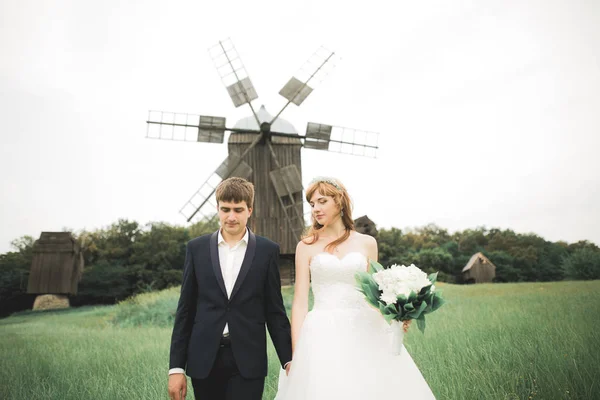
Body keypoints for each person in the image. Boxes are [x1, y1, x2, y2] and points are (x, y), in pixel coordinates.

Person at [275, 177, 436, 399]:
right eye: (312, 204)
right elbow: (300, 302)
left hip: (366, 328)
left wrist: (397, 318)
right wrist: (296, 352)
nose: (315, 209)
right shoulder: (306, 246)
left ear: (339, 202)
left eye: (322, 201)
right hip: (322, 331)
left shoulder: (367, 243)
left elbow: (375, 294)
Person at [168, 177, 292, 400]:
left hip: (248, 360)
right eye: (225, 209)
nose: (231, 216)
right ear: (217, 208)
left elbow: (275, 310)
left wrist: (289, 359)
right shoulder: (196, 249)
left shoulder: (267, 250)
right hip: (204, 360)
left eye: (238, 209)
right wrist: (176, 368)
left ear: (249, 210)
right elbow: (185, 310)